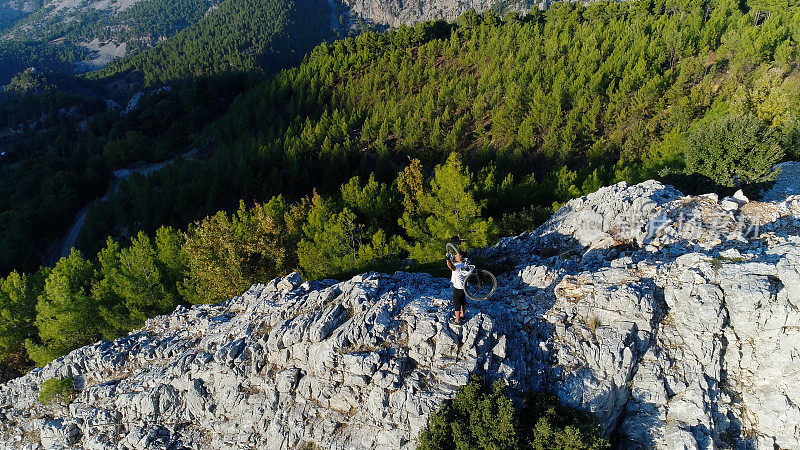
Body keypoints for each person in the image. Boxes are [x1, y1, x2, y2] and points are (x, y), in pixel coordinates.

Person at [446, 250, 468, 324]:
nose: (455, 255)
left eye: (457, 255)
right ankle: (463, 316)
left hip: (458, 287)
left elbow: (451, 267)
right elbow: (454, 263)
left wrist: (447, 258)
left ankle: (457, 321)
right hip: (464, 287)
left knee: (457, 303)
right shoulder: (465, 263)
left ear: (460, 257)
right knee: (463, 301)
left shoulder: (458, 266)